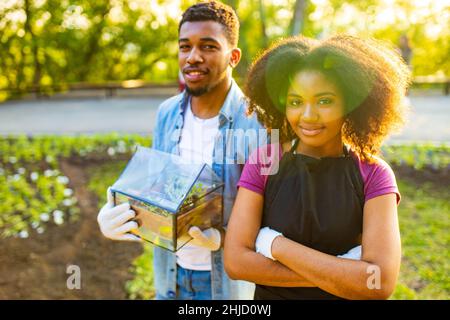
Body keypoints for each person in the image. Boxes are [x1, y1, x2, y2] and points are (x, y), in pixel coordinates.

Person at [97, 1, 263, 300]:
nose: (193, 57)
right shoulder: (167, 112)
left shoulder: (259, 123)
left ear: (233, 56)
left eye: (209, 47)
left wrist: (223, 238)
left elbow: (276, 215)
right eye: (185, 47)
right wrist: (116, 208)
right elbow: (156, 186)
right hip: (170, 280)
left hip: (225, 287)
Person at [224, 35, 411, 299]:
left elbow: (378, 283)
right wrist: (343, 271)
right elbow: (235, 262)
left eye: (324, 101)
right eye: (296, 101)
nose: (308, 115)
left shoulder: (373, 174)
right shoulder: (264, 162)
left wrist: (273, 244)